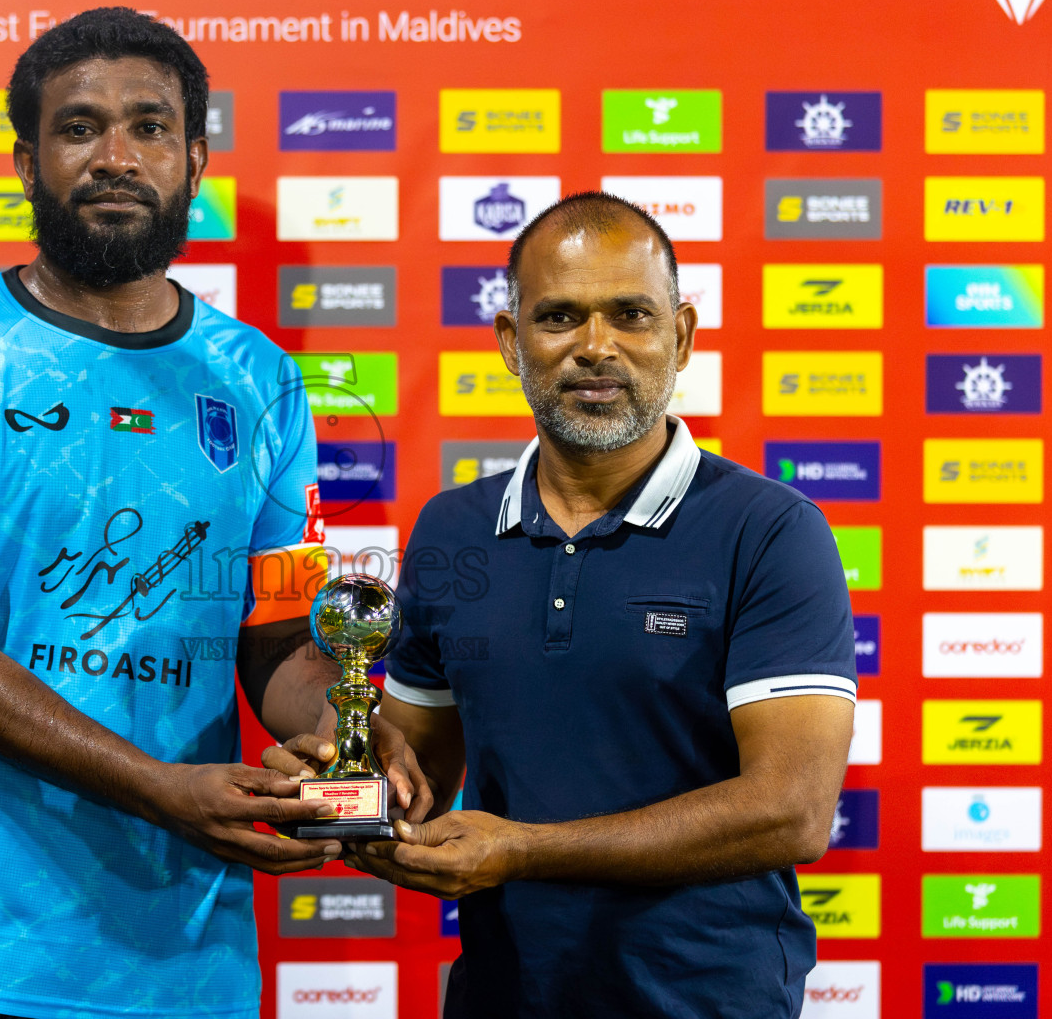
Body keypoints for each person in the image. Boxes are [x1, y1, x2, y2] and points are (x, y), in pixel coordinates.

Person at [0, 8, 428, 1019]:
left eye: (151, 127)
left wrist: (347, 724)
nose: (117, 156)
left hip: (188, 958)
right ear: (27, 160)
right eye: (80, 128)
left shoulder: (263, 381)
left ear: (196, 160)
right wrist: (163, 789)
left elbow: (280, 638)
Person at [310, 192, 857, 1017]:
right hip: (502, 995)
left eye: (630, 315)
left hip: (705, 1000)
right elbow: (419, 768)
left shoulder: (771, 530)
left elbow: (790, 813)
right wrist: (348, 786)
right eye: (560, 316)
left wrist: (525, 853)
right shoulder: (453, 528)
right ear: (510, 340)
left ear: (682, 335)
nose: (595, 348)